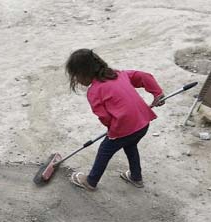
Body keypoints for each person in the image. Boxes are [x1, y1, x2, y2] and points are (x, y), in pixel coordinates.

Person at [65, 48, 165, 191]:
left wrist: (113, 131)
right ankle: (136, 177)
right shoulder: (119, 74)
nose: (77, 80)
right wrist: (157, 92)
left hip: (125, 128)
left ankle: (91, 181)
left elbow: (104, 116)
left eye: (76, 76)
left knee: (105, 150)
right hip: (143, 123)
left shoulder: (94, 91)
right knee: (130, 145)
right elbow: (144, 76)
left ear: (83, 73)